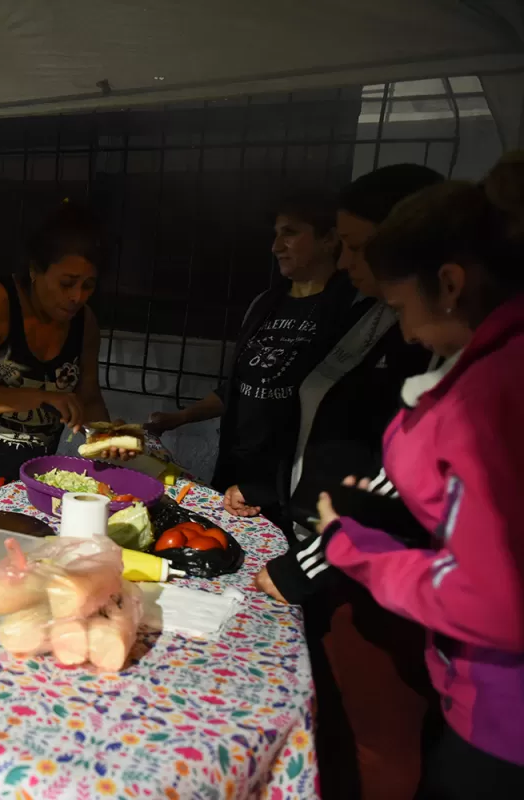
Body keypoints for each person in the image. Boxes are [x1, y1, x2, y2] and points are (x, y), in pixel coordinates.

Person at [316, 153, 524, 798]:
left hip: (503, 720)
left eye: (402, 305)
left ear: (452, 283)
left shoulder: (486, 394)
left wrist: (358, 550)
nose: (403, 328)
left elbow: (494, 597)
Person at [251, 164, 444, 799]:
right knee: (333, 728)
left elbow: (392, 483)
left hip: (369, 577)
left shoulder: (428, 339)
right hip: (326, 552)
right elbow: (318, 426)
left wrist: (303, 567)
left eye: (360, 246)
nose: (351, 259)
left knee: (374, 746)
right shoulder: (370, 316)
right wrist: (271, 494)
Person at [147, 193, 355, 534]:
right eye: (275, 234)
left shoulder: (348, 311)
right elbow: (240, 385)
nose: (276, 246)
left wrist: (272, 487)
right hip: (236, 469)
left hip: (293, 481)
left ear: (329, 239)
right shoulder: (265, 304)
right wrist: (178, 418)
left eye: (290, 232)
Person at [0, 203, 126, 504]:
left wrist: (103, 438)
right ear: (34, 270)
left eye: (88, 286)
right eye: (67, 283)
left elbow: (89, 396)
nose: (77, 297)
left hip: (36, 472)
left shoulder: (85, 323)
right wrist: (38, 397)